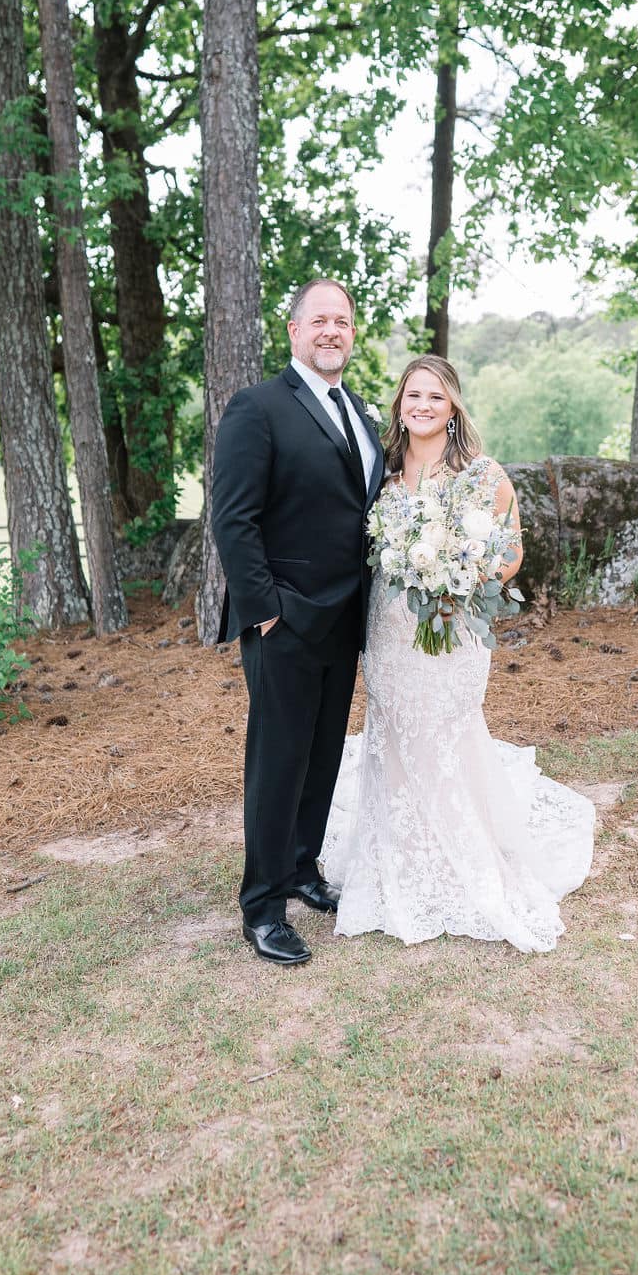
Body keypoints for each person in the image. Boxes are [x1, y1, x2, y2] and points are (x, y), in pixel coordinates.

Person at [321, 355, 595, 949]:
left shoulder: (481, 474)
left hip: (454, 630)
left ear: (452, 409)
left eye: (435, 397)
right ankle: (398, 859)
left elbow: (511, 553)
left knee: (445, 733)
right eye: (413, 395)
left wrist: (459, 578)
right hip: (390, 630)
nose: (422, 405)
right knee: (395, 733)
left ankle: (462, 861)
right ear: (399, 406)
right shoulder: (381, 474)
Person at [211, 279, 384, 965]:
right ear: (293, 331)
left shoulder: (359, 410)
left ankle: (303, 868)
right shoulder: (257, 407)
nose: (331, 331)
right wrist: (266, 613)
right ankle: (262, 907)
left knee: (322, 756)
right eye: (319, 320)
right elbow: (234, 519)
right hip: (284, 620)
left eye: (342, 321)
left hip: (346, 618)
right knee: (278, 763)